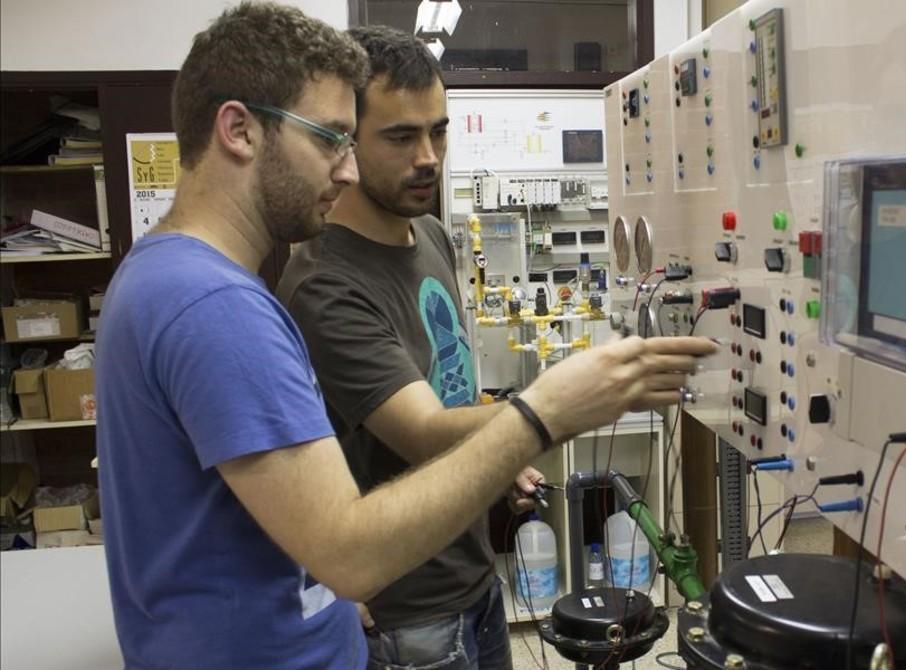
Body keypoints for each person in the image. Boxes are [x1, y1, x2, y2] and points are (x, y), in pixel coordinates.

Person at [95, 3, 715, 669]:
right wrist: (546, 411)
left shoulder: (169, 275)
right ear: (239, 130)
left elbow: (283, 520)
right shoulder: (216, 305)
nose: (348, 168)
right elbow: (354, 552)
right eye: (332, 138)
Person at [275, 25, 559, 669]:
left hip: (473, 574)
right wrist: (560, 402)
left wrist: (501, 457)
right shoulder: (325, 284)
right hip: (408, 612)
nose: (429, 156)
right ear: (345, 139)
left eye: (438, 130)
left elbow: (448, 387)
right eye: (401, 137)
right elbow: (425, 431)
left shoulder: (428, 233)